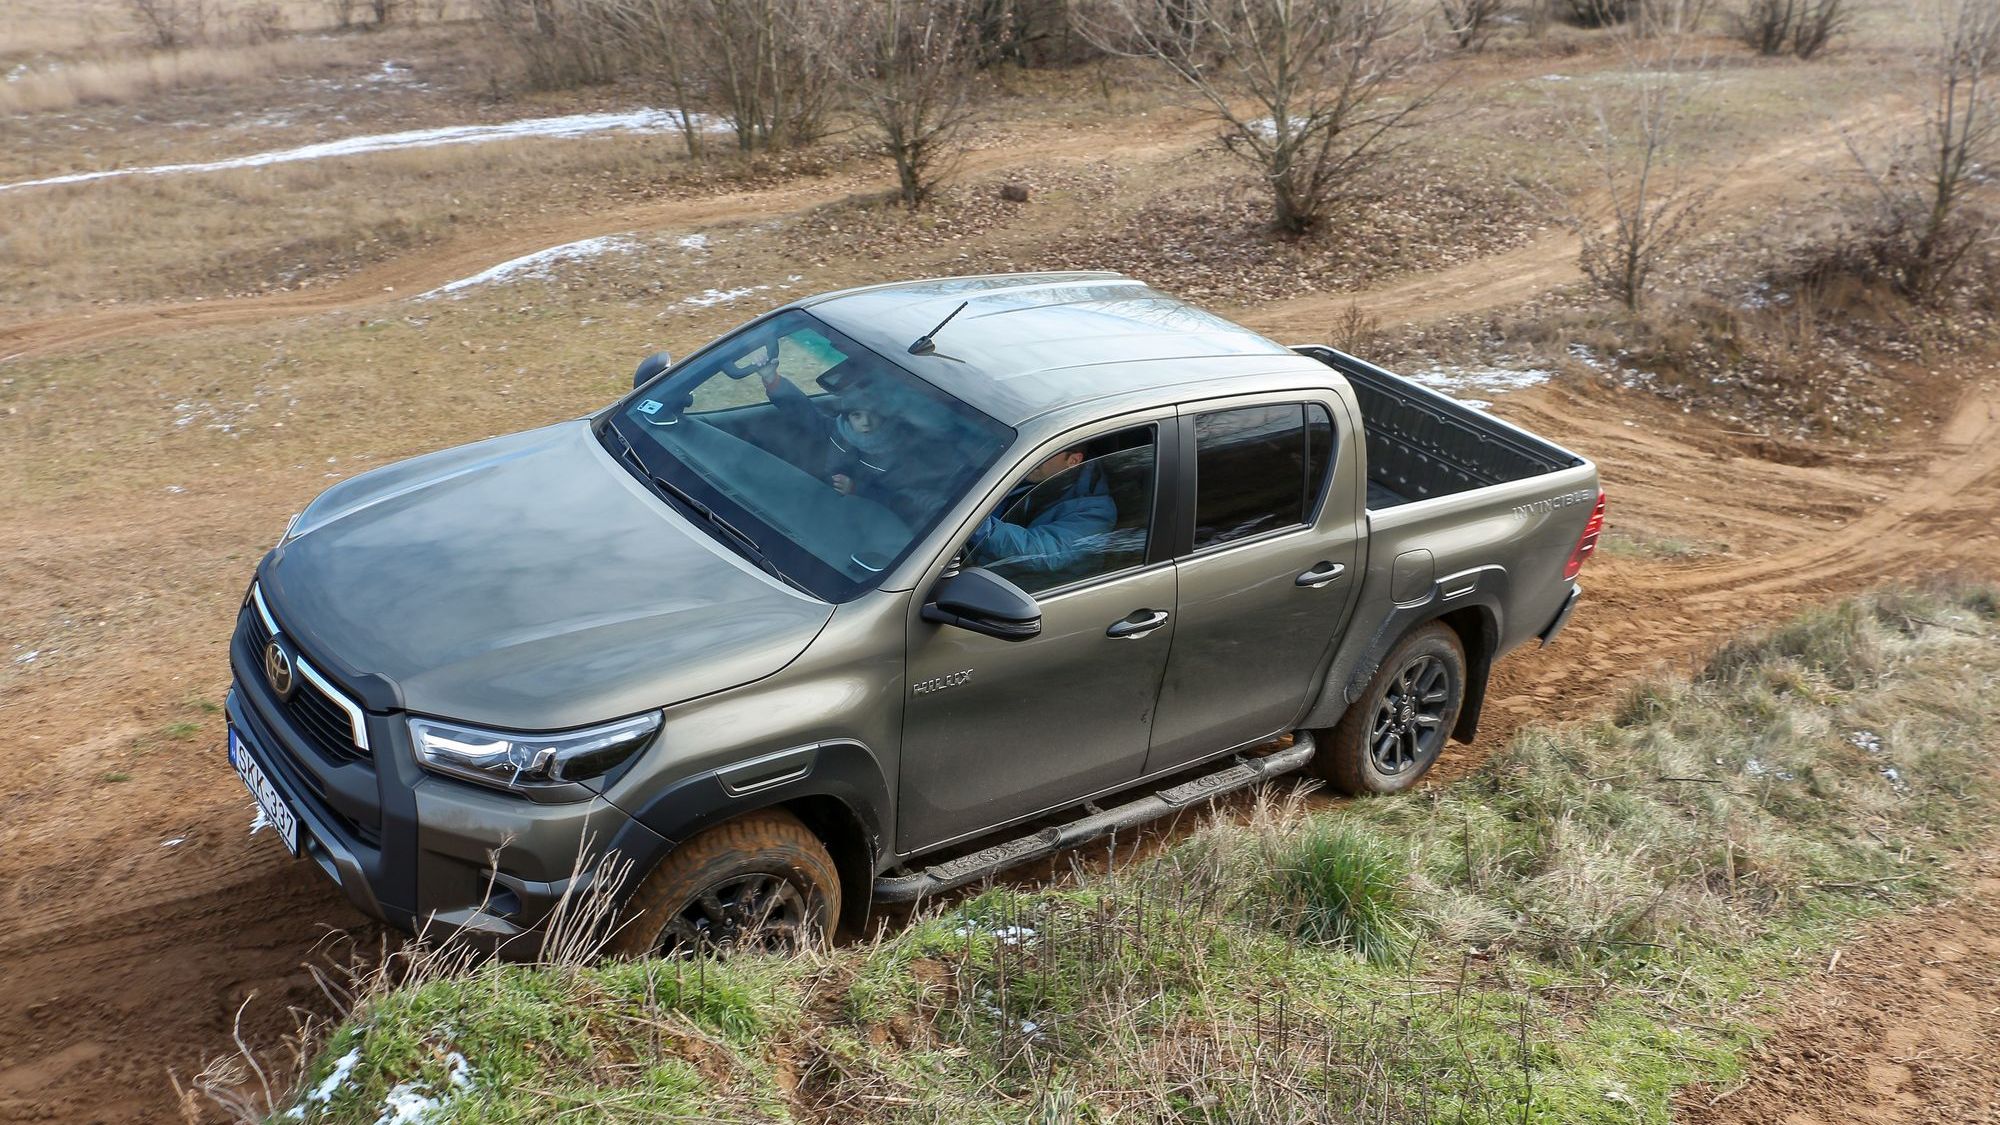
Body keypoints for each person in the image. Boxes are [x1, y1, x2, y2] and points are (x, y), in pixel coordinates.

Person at [968, 445, 1116, 580]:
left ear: (1073, 461)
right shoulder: (1033, 471)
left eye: (1047, 452)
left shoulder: (1095, 512)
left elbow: (1038, 553)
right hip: (980, 564)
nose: (1031, 456)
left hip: (1028, 589)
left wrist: (972, 524)